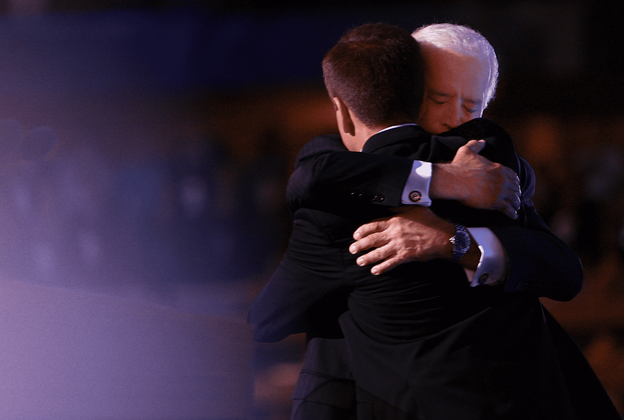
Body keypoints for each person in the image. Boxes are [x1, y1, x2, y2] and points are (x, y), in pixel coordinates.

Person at [248, 23, 620, 419]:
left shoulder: (491, 167)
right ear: (406, 92)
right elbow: (316, 175)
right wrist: (444, 180)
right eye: (439, 99)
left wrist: (453, 241)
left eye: (472, 106)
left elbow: (563, 270)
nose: (454, 120)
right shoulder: (338, 170)